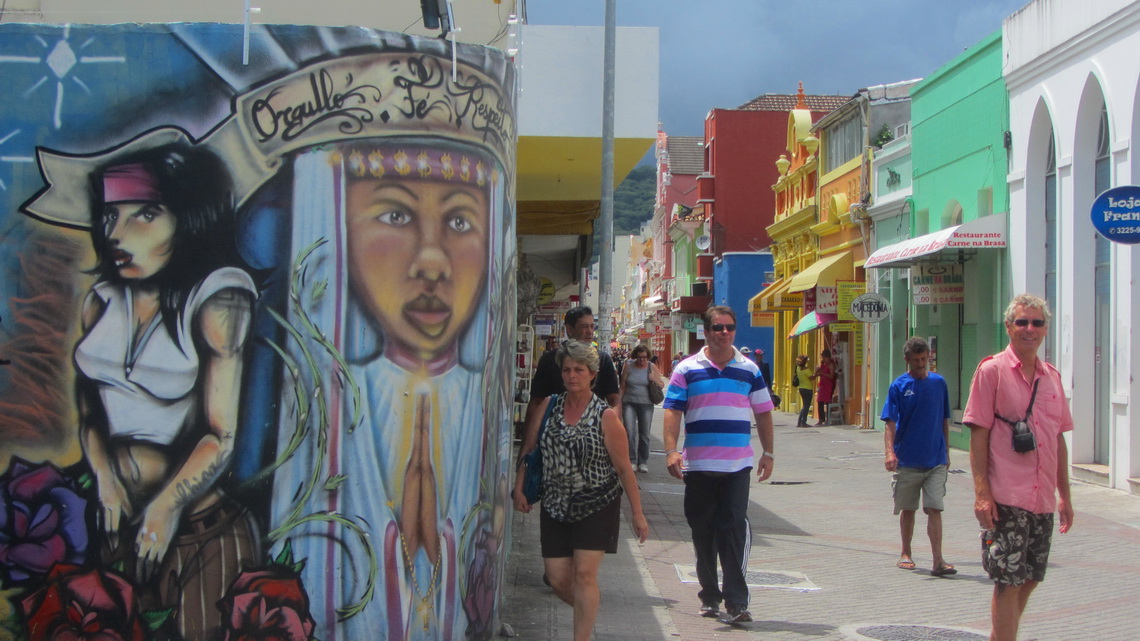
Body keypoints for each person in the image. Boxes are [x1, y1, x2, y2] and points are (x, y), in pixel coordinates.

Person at [268, 137, 506, 639]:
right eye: (395, 216)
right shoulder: (329, 406)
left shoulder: (476, 402)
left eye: (461, 221)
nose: (432, 263)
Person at [72, 142, 259, 639]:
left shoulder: (218, 299)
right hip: (120, 525)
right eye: (110, 215)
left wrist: (165, 506)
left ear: (189, 217)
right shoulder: (101, 301)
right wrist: (106, 481)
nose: (117, 234)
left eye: (146, 215)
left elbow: (220, 436)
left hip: (201, 532)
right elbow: (90, 414)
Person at [513, 339, 649, 641]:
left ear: (591, 374)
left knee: (586, 574)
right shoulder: (549, 406)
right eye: (567, 370)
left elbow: (624, 468)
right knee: (558, 579)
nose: (571, 375)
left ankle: (582, 636)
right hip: (555, 503)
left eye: (578, 370)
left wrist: (638, 515)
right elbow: (530, 448)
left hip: (596, 503)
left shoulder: (606, 416)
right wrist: (519, 486)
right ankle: (588, 608)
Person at [963, 294, 1073, 641]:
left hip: (1041, 498)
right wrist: (982, 494)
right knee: (1007, 580)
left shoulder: (1052, 377)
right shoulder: (991, 371)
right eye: (1022, 322)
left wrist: (1065, 495)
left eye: (1037, 323)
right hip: (1006, 496)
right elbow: (978, 435)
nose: (1030, 329)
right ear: (1009, 326)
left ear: (1045, 329)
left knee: (1031, 576)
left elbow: (1058, 439)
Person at [663, 306, 775, 625]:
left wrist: (769, 453)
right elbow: (672, 411)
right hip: (697, 467)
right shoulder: (686, 369)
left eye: (729, 327)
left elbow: (764, 412)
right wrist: (671, 450)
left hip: (736, 468)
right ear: (707, 331)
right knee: (703, 532)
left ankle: (737, 601)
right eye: (717, 327)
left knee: (732, 528)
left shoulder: (749, 370)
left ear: (734, 331)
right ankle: (710, 594)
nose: (723, 333)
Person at [881, 337, 955, 576]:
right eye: (916, 361)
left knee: (935, 508)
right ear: (907, 360)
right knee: (908, 509)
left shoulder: (939, 383)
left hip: (935, 460)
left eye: (924, 360)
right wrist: (890, 452)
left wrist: (946, 451)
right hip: (908, 460)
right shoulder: (899, 386)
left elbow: (944, 420)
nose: (922, 365)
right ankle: (906, 552)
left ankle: (938, 560)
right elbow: (890, 423)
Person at [524, 306, 621, 451]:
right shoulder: (550, 360)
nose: (589, 331)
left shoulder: (603, 360)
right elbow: (536, 402)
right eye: (584, 326)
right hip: (554, 441)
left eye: (591, 326)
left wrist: (616, 428)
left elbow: (614, 399)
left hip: (593, 440)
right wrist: (527, 446)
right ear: (569, 329)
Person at [619, 344, 666, 473]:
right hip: (629, 402)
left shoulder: (652, 367)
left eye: (644, 357)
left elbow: (661, 385)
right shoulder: (628, 367)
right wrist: (618, 402)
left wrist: (654, 379)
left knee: (644, 434)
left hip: (646, 404)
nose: (642, 360)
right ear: (635, 357)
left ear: (648, 357)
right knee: (629, 431)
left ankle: (643, 461)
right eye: (639, 357)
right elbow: (622, 385)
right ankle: (632, 460)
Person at [814, 348, 837, 425]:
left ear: (828, 357)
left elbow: (831, 376)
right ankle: (821, 418)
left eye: (824, 357)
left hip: (828, 385)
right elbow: (818, 373)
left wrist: (822, 374)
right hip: (822, 384)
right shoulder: (823, 364)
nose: (823, 359)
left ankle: (828, 418)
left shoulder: (831, 365)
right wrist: (817, 371)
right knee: (820, 401)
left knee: (828, 402)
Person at [794, 354, 814, 427]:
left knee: (804, 406)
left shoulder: (798, 369)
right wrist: (817, 372)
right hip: (808, 389)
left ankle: (799, 422)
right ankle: (803, 422)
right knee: (806, 406)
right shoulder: (807, 370)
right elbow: (812, 378)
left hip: (801, 388)